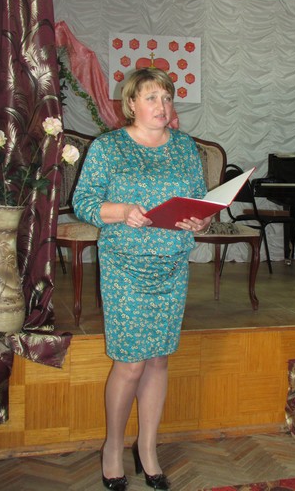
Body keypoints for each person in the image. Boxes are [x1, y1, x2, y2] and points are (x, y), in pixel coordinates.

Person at [72, 68, 212, 491]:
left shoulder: (186, 147)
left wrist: (200, 221)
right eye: (151, 98)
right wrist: (121, 211)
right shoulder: (108, 146)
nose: (161, 106)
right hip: (125, 265)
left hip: (172, 263)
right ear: (130, 103)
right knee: (131, 362)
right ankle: (113, 449)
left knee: (158, 359)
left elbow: (199, 201)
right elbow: (83, 202)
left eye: (167, 98)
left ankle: (147, 448)